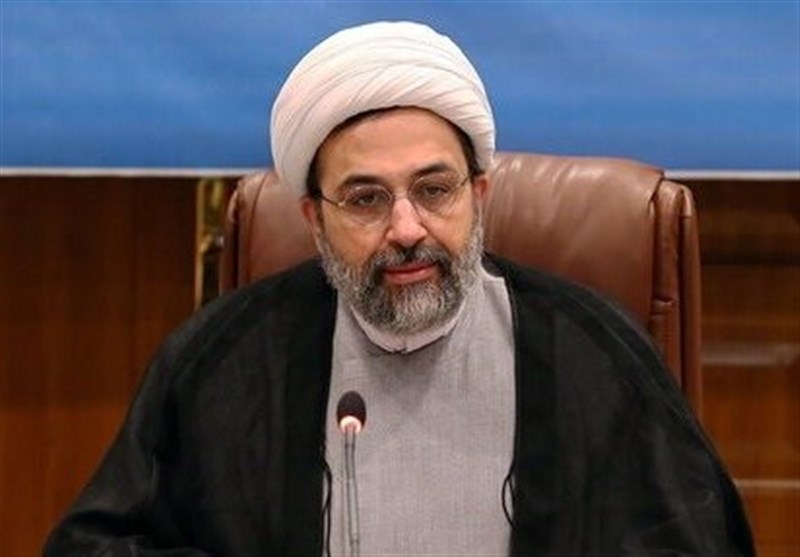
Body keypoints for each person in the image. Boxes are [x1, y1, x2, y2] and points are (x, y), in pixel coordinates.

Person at [45, 21, 754, 556]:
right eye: (366, 199)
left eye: (434, 190)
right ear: (314, 219)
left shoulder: (591, 352)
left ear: (478, 194)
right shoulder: (222, 361)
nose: (407, 228)